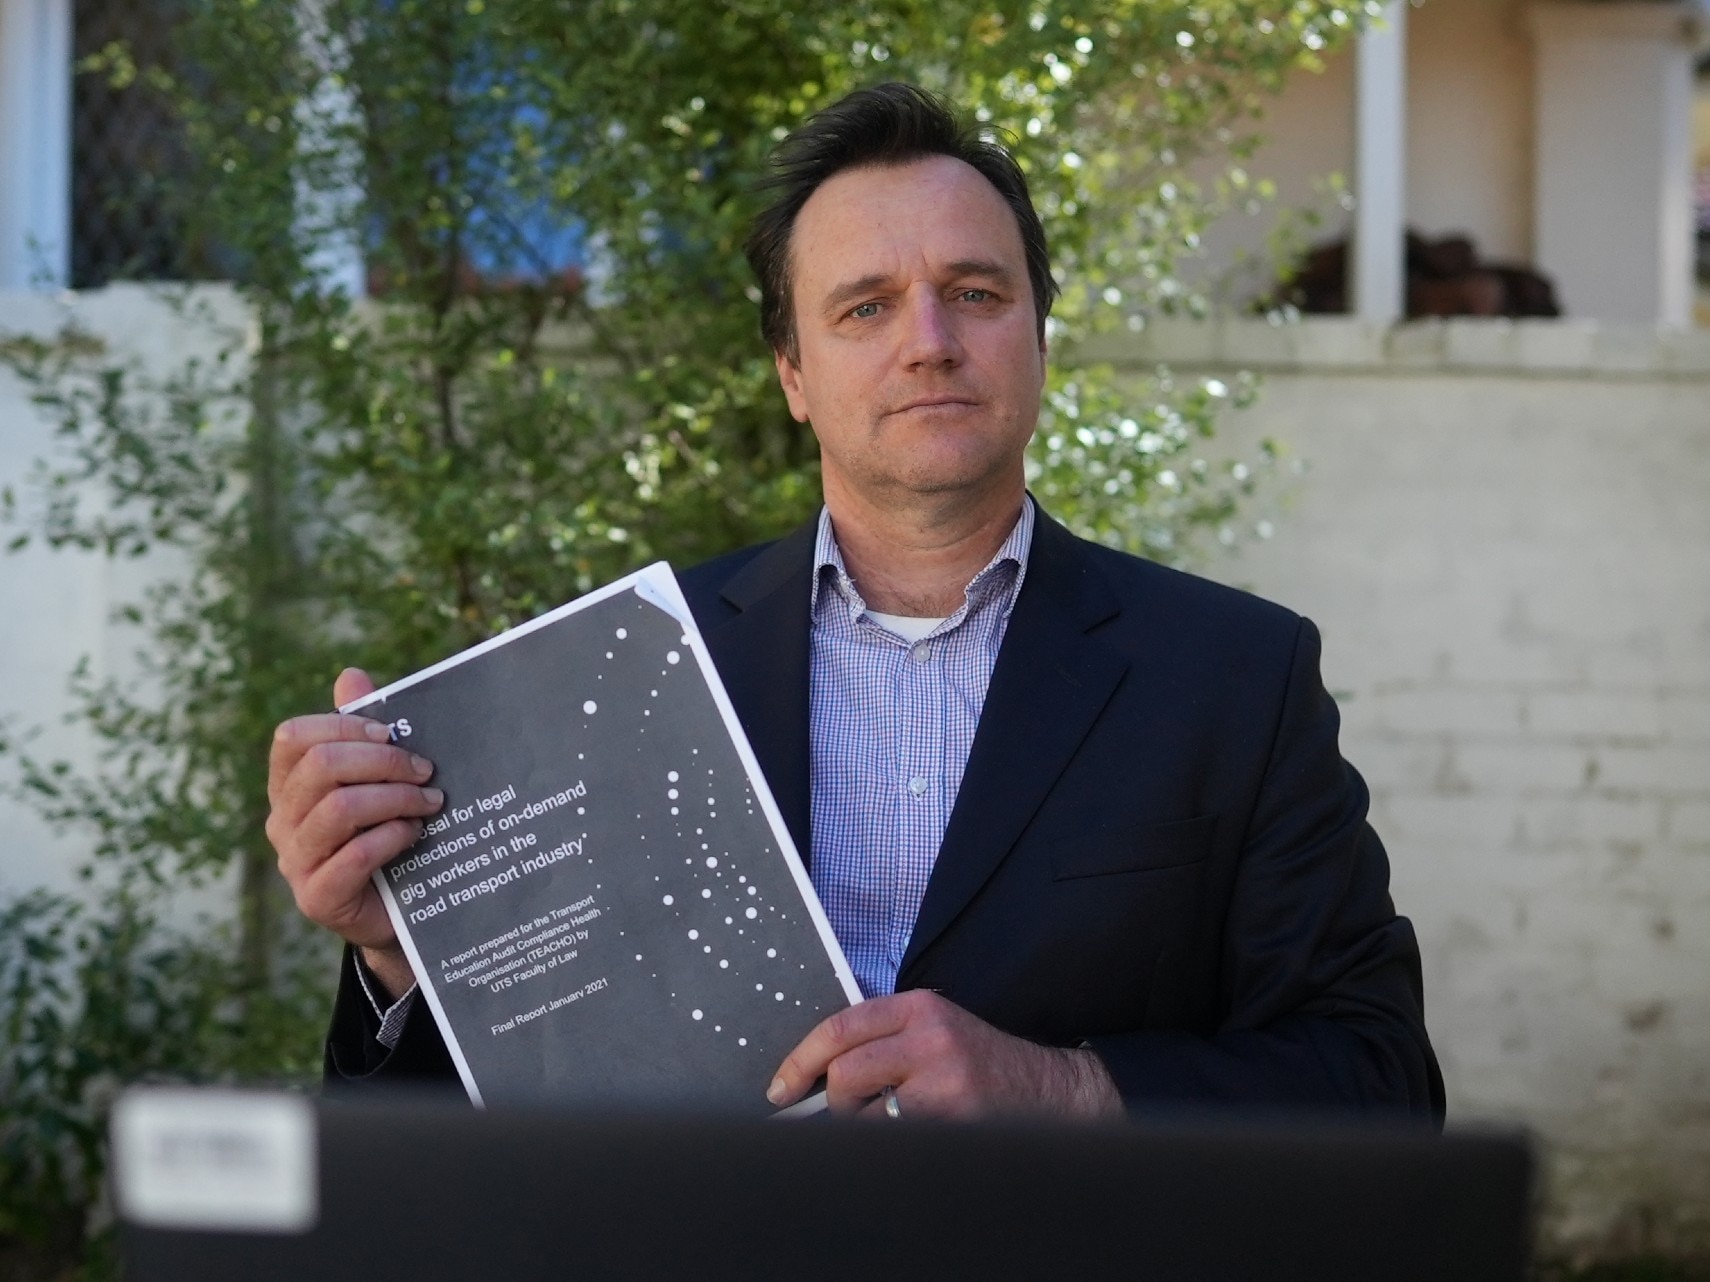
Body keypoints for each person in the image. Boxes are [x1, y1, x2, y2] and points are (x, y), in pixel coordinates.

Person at [266, 83, 1443, 1122]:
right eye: (865, 307)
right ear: (792, 372)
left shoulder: (1237, 676)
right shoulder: (622, 673)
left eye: (975, 291)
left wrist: (1064, 1087)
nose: (929, 342)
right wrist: (401, 956)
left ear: (1040, 334)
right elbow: (494, 1132)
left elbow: (1379, 1079)